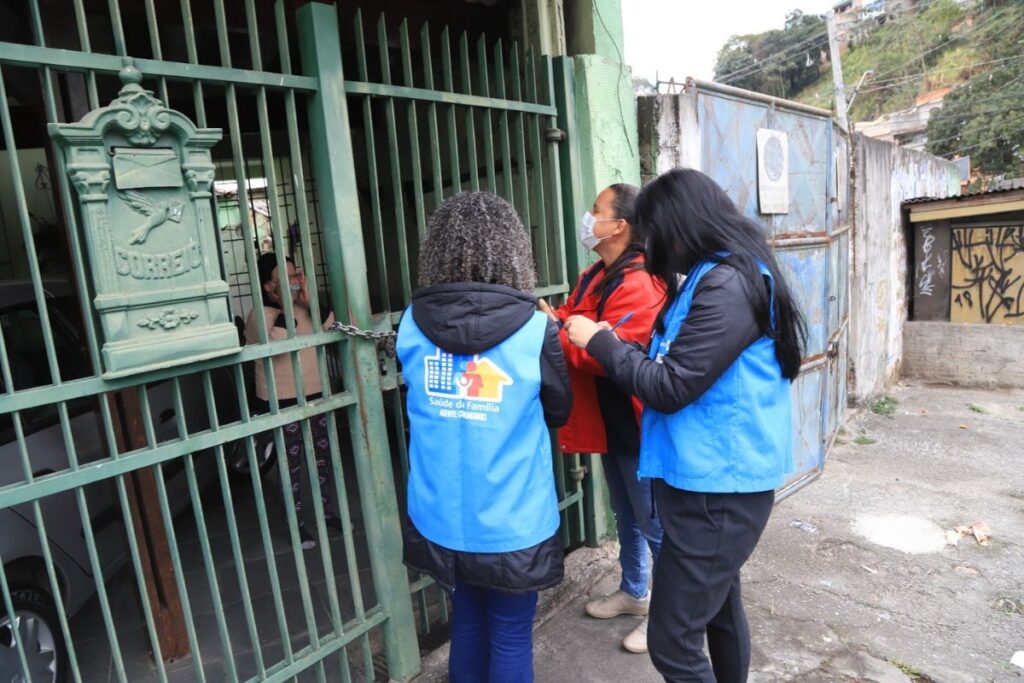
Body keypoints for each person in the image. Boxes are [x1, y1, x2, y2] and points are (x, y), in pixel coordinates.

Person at [564, 168, 807, 682]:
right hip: (703, 479)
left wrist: (599, 343)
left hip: (718, 489)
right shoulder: (709, 275)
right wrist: (622, 346)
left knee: (672, 641)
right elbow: (675, 362)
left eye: (655, 233)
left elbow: (671, 387)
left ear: (682, 224)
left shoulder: (730, 283)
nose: (651, 246)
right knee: (718, 612)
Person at [398, 191, 572, 683]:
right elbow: (558, 411)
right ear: (514, 250)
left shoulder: (411, 323)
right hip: (511, 520)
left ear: (437, 250)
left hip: (439, 515)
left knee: (468, 623)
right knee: (511, 632)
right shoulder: (537, 329)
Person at [538, 183, 666, 654]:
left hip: (638, 420)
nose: (588, 218)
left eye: (596, 210)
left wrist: (565, 334)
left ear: (620, 226)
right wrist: (563, 324)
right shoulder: (596, 273)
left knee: (654, 522)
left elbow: (610, 353)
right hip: (610, 419)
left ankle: (669, 619)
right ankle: (635, 592)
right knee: (627, 514)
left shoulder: (643, 282)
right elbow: (580, 320)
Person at [246, 252, 341, 550]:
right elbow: (278, 343)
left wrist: (309, 298)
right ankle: (297, 524)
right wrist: (287, 303)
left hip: (315, 394)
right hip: (282, 401)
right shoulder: (259, 314)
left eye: (295, 275)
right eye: (284, 278)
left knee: (323, 461)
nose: (293, 283)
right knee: (291, 468)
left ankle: (327, 512)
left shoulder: (304, 307)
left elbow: (329, 324)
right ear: (267, 286)